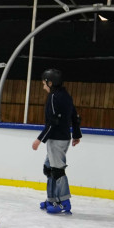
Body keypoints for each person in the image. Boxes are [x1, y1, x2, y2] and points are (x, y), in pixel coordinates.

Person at [33, 68, 82, 214]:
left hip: (56, 139)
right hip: (63, 137)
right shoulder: (65, 95)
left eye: (44, 84)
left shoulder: (54, 97)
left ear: (50, 82)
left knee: (57, 170)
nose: (43, 87)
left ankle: (64, 202)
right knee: (49, 168)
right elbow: (75, 116)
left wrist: (39, 139)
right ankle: (52, 199)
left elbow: (53, 122)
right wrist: (76, 134)